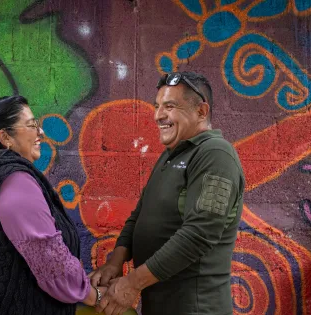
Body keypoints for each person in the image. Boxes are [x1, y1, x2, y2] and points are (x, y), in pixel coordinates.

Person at [89, 72, 245, 315]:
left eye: (169, 106)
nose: (158, 115)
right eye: (157, 106)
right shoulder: (170, 155)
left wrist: (132, 283)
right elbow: (138, 217)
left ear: (201, 112)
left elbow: (199, 234)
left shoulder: (215, 154)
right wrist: (115, 263)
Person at [0, 95, 106, 315]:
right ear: (5, 137)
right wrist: (95, 296)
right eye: (31, 126)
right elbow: (51, 263)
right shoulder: (15, 182)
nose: (41, 132)